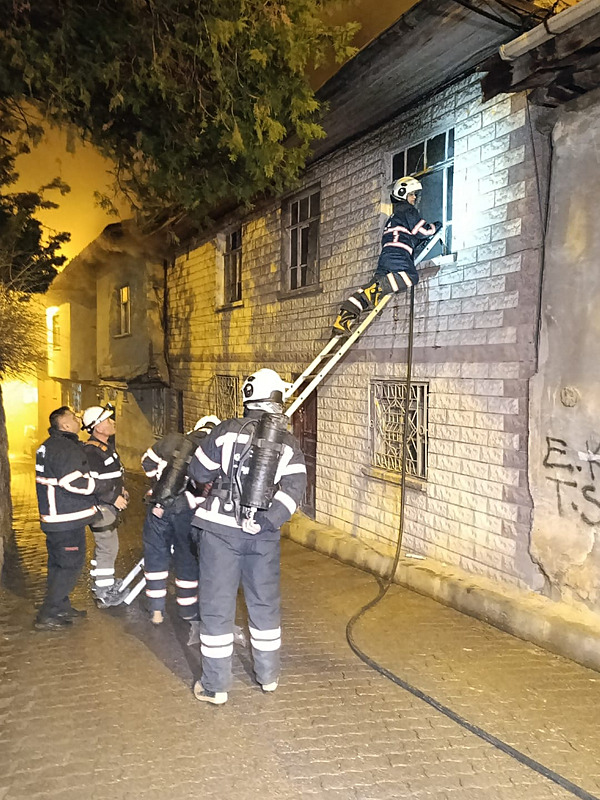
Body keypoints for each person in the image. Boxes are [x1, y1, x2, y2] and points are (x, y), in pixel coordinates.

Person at [188, 368, 306, 705]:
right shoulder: (287, 442)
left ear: (247, 398)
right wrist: (267, 521)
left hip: (219, 531)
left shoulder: (225, 430)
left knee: (217, 607)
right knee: (264, 604)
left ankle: (215, 687)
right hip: (262, 536)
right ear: (277, 399)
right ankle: (268, 677)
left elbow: (197, 471)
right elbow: (295, 490)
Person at [331, 175, 442, 336]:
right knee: (410, 276)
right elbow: (422, 231)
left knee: (372, 288)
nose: (414, 198)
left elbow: (407, 235)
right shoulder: (407, 210)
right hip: (398, 254)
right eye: (412, 194)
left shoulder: (394, 217)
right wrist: (436, 226)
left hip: (386, 257)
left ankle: (343, 319)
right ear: (402, 193)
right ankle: (375, 289)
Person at [140, 414, 220, 626]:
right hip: (187, 512)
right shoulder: (213, 450)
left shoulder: (171, 440)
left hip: (158, 506)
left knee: (155, 557)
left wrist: (159, 484)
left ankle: (156, 611)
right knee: (187, 558)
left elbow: (146, 462)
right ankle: (187, 611)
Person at [34, 406, 98, 630]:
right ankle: (49, 614)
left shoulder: (50, 445)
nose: (77, 417)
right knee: (69, 566)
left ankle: (61, 605)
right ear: (65, 425)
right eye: (73, 416)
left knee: (58, 565)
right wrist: (99, 487)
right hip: (65, 518)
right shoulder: (63, 447)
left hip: (57, 518)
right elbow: (71, 481)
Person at [82, 404, 128, 608]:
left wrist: (121, 490)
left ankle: (101, 583)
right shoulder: (92, 452)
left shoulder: (104, 448)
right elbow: (92, 482)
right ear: (98, 427)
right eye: (108, 420)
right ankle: (103, 593)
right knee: (108, 548)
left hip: (107, 505)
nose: (113, 422)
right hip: (101, 507)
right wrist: (112, 498)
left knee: (106, 547)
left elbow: (110, 475)